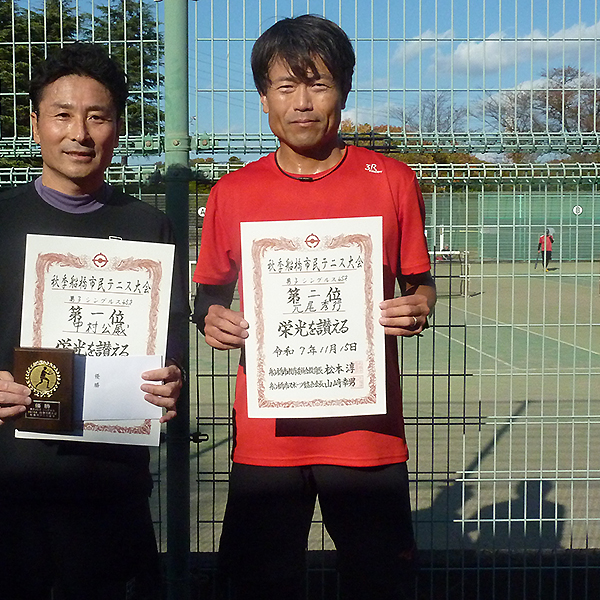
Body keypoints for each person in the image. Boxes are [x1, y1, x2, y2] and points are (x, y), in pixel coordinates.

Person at [0, 43, 188, 600]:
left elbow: (169, 341)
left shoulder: (149, 228)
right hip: (12, 472)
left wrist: (172, 379)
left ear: (117, 127)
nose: (80, 133)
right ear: (35, 124)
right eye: (63, 114)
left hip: (111, 476)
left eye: (97, 116)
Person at [192, 16, 436, 600]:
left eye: (318, 84)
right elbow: (209, 295)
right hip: (267, 436)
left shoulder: (392, 180)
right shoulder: (232, 191)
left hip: (367, 433)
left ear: (343, 92)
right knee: (258, 584)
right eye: (285, 86)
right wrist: (210, 319)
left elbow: (420, 281)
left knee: (379, 583)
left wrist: (418, 306)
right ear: (263, 98)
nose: (302, 103)